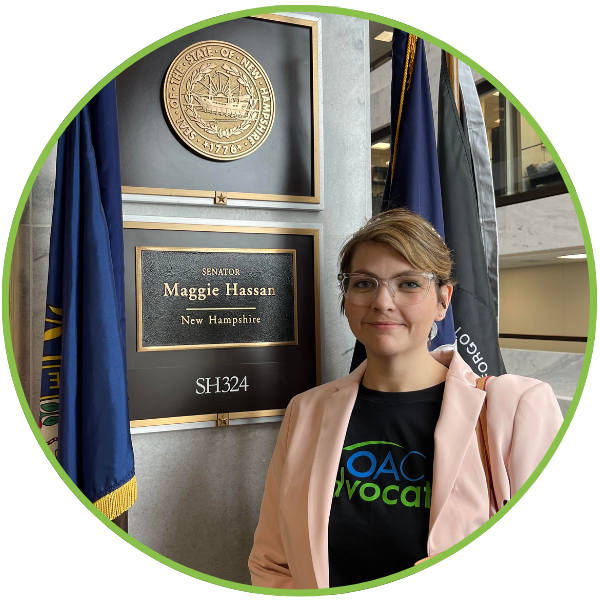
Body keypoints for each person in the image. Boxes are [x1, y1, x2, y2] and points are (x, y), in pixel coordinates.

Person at [248, 208, 563, 590]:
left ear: (443, 300)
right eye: (364, 283)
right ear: (346, 298)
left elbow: (550, 561)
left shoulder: (515, 408)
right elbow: (273, 562)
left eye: (409, 283)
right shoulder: (308, 411)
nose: (382, 301)